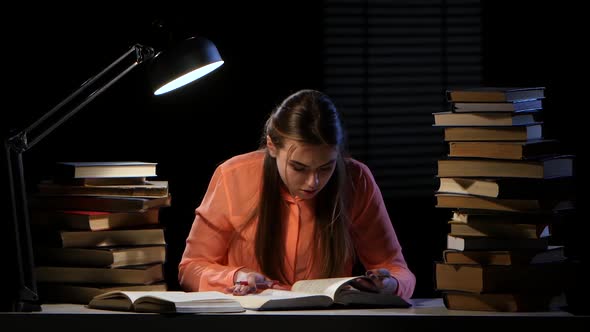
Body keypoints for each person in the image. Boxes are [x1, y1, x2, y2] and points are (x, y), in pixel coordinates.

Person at [178, 89, 416, 299]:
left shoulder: (357, 179)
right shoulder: (233, 176)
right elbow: (190, 268)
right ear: (272, 146)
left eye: (326, 168)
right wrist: (236, 275)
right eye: (298, 167)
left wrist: (390, 284)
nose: (313, 182)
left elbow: (396, 269)